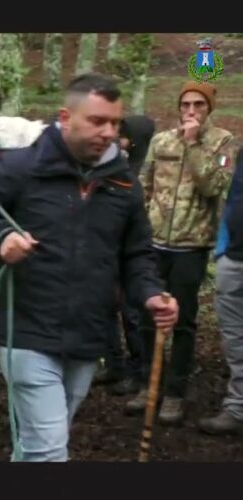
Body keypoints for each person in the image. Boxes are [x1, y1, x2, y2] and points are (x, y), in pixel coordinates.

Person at [0, 73, 178, 462]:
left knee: (37, 444)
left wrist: (152, 294)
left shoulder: (123, 185)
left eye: (115, 123)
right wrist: (0, 238)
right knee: (50, 451)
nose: (108, 132)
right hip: (26, 332)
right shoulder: (20, 167)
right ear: (66, 117)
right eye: (97, 121)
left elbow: (136, 256)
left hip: (88, 335)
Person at [125, 81, 237, 424]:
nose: (190, 111)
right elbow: (146, 185)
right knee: (147, 315)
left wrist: (194, 145)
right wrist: (141, 227)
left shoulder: (223, 143)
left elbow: (213, 185)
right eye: (186, 104)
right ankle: (147, 384)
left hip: (192, 245)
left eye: (198, 105)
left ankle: (174, 392)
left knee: (184, 322)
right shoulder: (162, 141)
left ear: (209, 109)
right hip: (156, 242)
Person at [95, 114, 157, 395]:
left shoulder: (137, 172)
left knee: (131, 314)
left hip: (128, 253)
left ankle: (136, 369)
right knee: (107, 310)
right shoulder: (114, 165)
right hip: (108, 250)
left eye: (124, 135)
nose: (117, 140)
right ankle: (114, 363)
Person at [198, 145, 243, 435]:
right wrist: (223, 249)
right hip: (234, 259)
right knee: (235, 340)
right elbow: (234, 198)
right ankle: (238, 408)